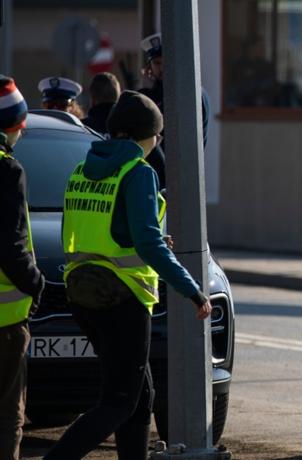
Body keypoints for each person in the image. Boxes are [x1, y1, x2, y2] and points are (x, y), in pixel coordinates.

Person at [44, 91, 212, 459]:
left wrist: (142, 239)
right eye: (158, 135)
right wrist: (194, 291)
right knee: (119, 402)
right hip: (122, 298)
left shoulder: (81, 171)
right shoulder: (138, 172)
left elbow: (96, 232)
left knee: (140, 398)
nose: (159, 142)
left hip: (83, 294)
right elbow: (150, 245)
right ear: (145, 135)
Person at [0, 75, 45, 460]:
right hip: (4, 322)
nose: (23, 128)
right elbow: (11, 247)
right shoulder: (8, 171)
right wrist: (36, 283)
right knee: (7, 413)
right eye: (19, 122)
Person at [138, 33, 211, 189]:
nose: (162, 68)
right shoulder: (153, 93)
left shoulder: (191, 93)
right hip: (151, 179)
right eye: (157, 63)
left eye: (167, 62)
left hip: (178, 181)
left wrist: (147, 96)